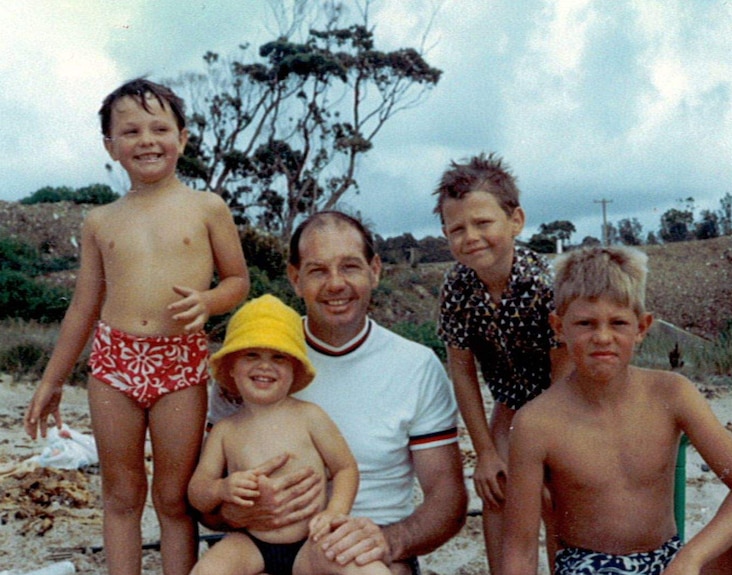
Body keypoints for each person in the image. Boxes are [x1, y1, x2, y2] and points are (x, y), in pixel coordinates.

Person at [24, 78, 250, 575]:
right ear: (111, 146)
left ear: (183, 138)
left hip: (180, 363)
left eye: (159, 128)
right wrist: (52, 381)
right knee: (121, 495)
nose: (146, 140)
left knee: (174, 498)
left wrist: (210, 300)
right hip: (114, 364)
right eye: (130, 131)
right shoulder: (100, 221)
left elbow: (238, 280)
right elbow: (83, 307)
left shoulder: (206, 208)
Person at [502, 246, 732, 575]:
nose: (602, 337)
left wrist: (691, 557)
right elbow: (519, 550)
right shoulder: (536, 422)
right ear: (558, 327)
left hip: (669, 562)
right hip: (589, 567)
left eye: (618, 323)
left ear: (642, 327)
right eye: (585, 323)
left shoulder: (671, 392)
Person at [205, 211, 468, 575]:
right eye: (317, 270)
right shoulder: (256, 361)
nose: (335, 284)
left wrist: (388, 540)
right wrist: (231, 510)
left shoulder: (416, 366)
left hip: (365, 555)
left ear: (375, 270)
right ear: (295, 278)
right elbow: (205, 500)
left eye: (350, 267)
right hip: (259, 549)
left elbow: (447, 499)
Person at [432, 152, 566, 573]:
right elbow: (461, 370)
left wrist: (545, 450)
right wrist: (486, 452)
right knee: (497, 488)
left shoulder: (545, 285)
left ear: (515, 221)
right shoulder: (457, 287)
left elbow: (564, 377)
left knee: (556, 498)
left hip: (565, 405)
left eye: (482, 222)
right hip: (509, 405)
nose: (470, 236)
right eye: (457, 229)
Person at [189, 295, 390, 575]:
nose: (265, 366)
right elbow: (198, 491)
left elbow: (345, 468)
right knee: (207, 571)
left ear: (295, 369)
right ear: (232, 367)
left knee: (369, 570)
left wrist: (335, 512)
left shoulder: (310, 416)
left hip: (310, 541)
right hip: (251, 543)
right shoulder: (225, 430)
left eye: (278, 357)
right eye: (251, 354)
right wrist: (221, 489)